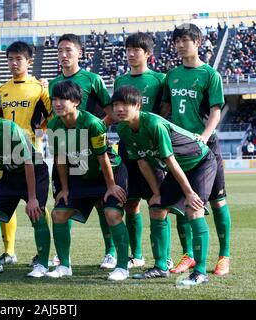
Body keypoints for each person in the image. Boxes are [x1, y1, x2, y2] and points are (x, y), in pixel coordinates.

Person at [114, 85, 216, 285]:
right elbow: (142, 162)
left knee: (193, 209)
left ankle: (201, 273)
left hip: (200, 163)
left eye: (125, 104)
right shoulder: (123, 129)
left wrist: (189, 193)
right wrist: (156, 193)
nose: (119, 109)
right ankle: (161, 267)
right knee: (156, 208)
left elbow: (171, 161)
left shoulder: (154, 124)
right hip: (177, 168)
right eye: (116, 105)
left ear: (137, 105)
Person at [161, 23, 232, 276]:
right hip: (180, 146)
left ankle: (224, 256)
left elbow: (215, 111)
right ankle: (188, 256)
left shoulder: (210, 75)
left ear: (198, 43)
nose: (180, 45)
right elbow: (165, 111)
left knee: (218, 200)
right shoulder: (171, 75)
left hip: (206, 147)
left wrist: (203, 136)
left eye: (185, 40)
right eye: (177, 40)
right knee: (182, 202)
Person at [46, 80, 128, 280]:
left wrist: (110, 186)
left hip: (109, 172)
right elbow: (61, 159)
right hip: (81, 173)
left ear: (75, 102)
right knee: (59, 214)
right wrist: (64, 189)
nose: (57, 103)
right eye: (54, 99)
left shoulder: (92, 123)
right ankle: (64, 265)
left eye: (63, 99)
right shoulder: (53, 124)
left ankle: (123, 266)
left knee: (111, 212)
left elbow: (103, 157)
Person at [49, 33, 117, 269]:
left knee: (101, 203)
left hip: (92, 152)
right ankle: (61, 257)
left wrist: (93, 131)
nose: (64, 55)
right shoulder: (53, 83)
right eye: (60, 51)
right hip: (66, 154)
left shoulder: (92, 79)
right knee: (63, 198)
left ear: (80, 53)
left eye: (68, 50)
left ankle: (110, 252)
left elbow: (112, 111)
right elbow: (54, 118)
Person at [0, 88, 51, 277]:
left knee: (36, 213)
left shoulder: (11, 129)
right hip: (10, 177)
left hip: (34, 173)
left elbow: (29, 163)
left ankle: (43, 264)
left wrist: (32, 198)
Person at [113, 32, 173, 270]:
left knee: (158, 203)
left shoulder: (160, 79)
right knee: (130, 203)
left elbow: (166, 110)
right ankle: (136, 254)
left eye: (136, 49)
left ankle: (165, 257)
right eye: (128, 49)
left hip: (153, 150)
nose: (130, 53)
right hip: (127, 147)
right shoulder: (120, 81)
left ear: (148, 53)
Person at [0, 41, 52, 266]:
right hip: (5, 155)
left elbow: (53, 114)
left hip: (32, 151)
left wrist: (40, 132)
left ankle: (42, 253)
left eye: (18, 59)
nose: (13, 63)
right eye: (10, 59)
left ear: (29, 61)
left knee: (37, 204)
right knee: (3, 203)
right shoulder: (1, 90)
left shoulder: (39, 88)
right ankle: (9, 251)